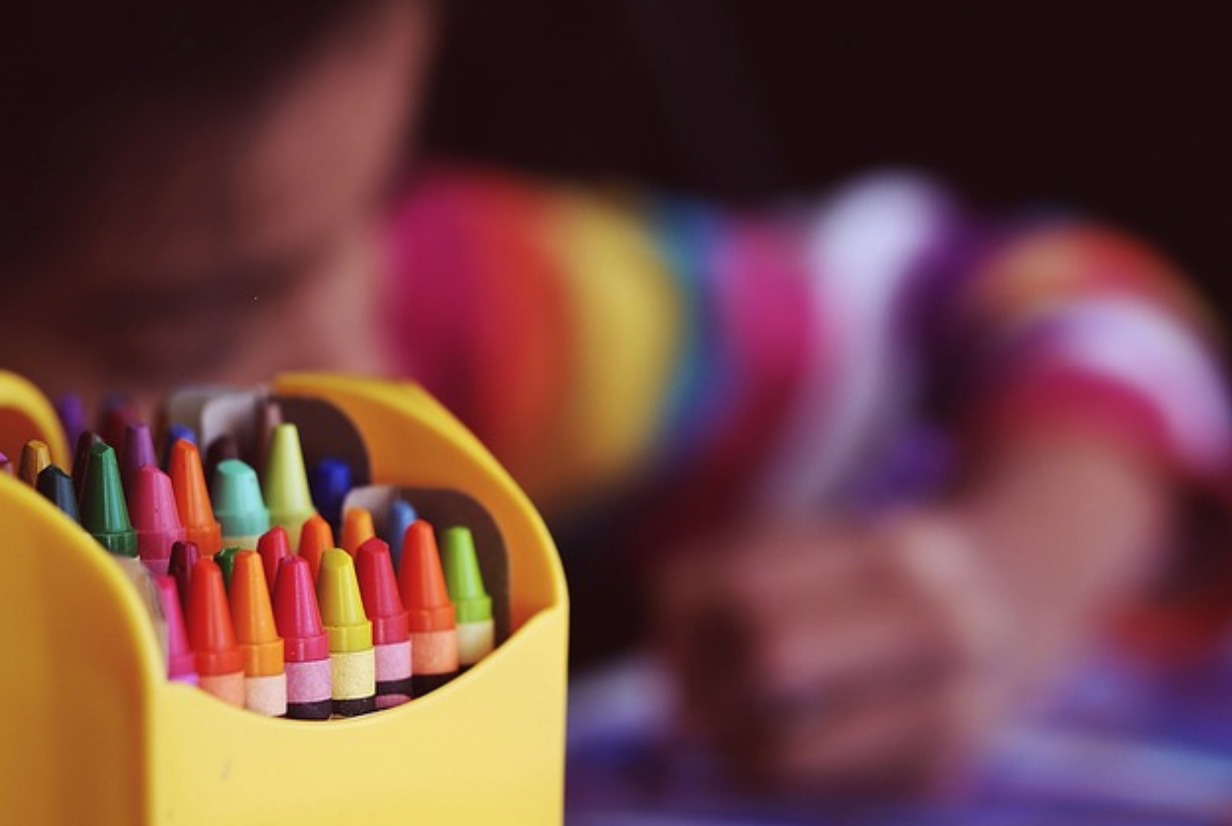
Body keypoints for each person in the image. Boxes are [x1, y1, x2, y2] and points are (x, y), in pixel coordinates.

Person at [3, 0, 1230, 796]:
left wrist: (1005, 578)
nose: (353, 349)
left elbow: (1037, 296)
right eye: (186, 317)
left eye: (379, 191)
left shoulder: (454, 308)